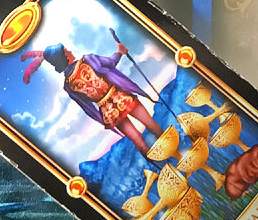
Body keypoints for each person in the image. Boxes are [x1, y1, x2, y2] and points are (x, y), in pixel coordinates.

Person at [22, 41, 165, 157]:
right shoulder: (88, 59)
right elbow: (110, 62)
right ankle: (173, 151)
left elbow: (86, 106)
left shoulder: (68, 86)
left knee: (140, 143)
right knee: (152, 125)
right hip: (121, 97)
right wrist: (120, 52)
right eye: (66, 50)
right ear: (64, 56)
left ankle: (163, 164)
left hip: (109, 112)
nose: (70, 51)